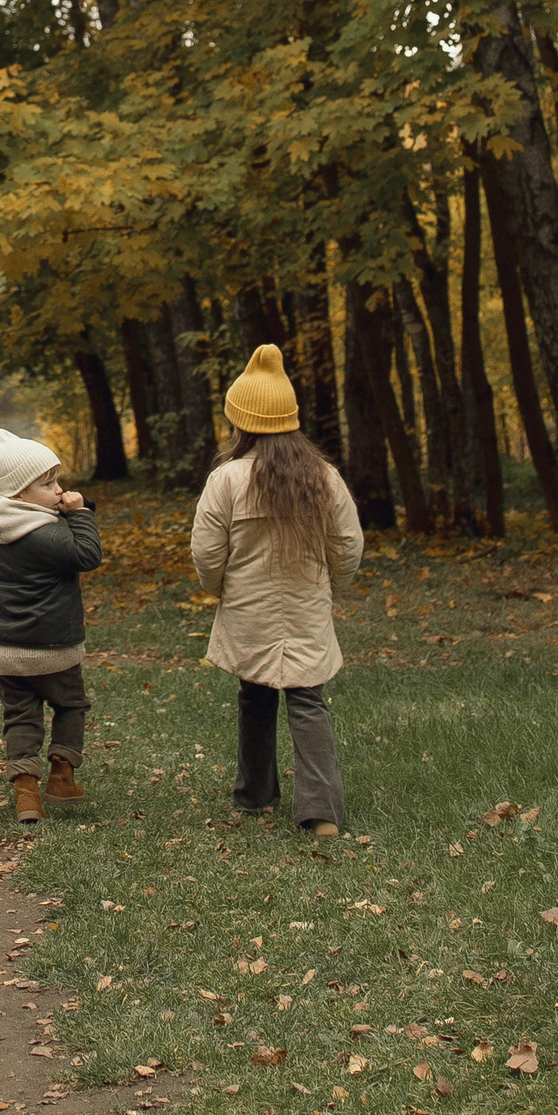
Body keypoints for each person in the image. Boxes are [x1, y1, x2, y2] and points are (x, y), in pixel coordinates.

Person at [191, 344, 364, 836]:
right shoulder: (323, 477)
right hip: (307, 606)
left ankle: (255, 795)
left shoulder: (226, 479)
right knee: (308, 699)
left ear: (240, 422)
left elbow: (206, 552)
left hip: (249, 609)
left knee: (255, 693)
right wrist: (333, 586)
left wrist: (219, 589)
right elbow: (348, 544)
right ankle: (321, 812)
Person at [0, 427, 101, 824]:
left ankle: (26, 794)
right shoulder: (48, 535)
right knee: (70, 704)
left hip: (5, 649)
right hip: (53, 646)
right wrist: (80, 514)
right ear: (20, 494)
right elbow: (88, 554)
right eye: (48, 483)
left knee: (20, 716)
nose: (59, 490)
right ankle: (61, 777)